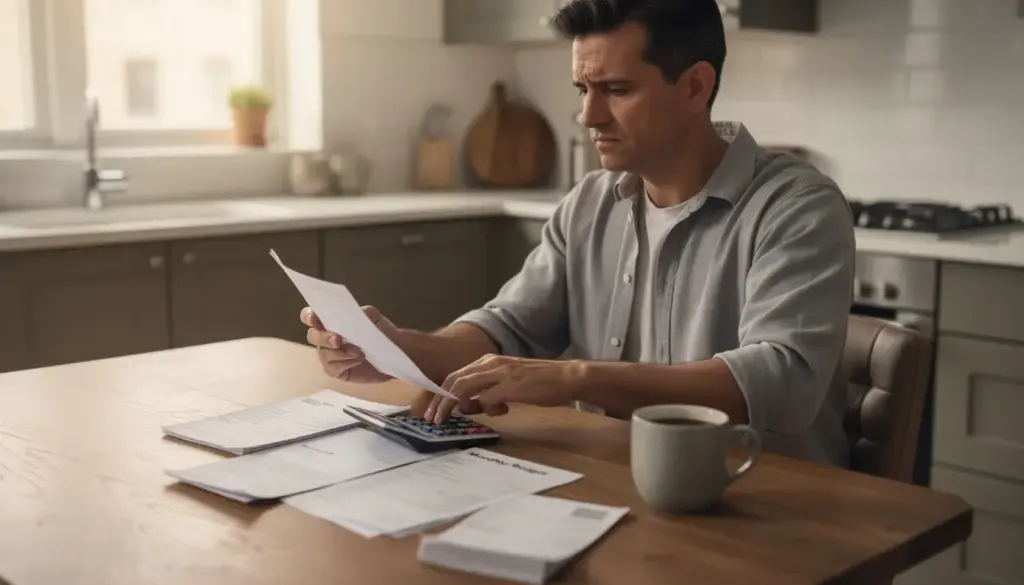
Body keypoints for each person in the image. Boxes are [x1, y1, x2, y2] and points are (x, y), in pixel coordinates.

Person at [302, 0, 856, 467]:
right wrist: (401, 349)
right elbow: (507, 329)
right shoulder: (590, 202)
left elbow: (780, 380)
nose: (588, 116)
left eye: (616, 89)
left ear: (694, 86)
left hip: (764, 506)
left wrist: (573, 377)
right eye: (582, 89)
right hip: (615, 484)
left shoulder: (798, 207)